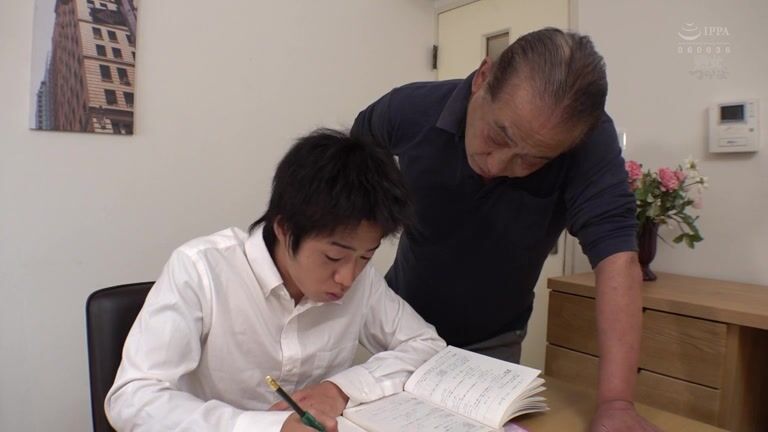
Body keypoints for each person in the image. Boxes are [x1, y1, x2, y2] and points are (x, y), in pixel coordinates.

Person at [351, 28, 658, 431]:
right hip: (398, 326)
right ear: (483, 78)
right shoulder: (411, 110)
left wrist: (617, 403)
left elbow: (617, 257)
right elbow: (349, 169)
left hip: (492, 343)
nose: (496, 166)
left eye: (532, 160)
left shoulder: (589, 142)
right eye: (498, 135)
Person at [105, 129, 446, 432]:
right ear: (284, 228)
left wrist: (341, 389)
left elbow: (426, 345)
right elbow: (132, 398)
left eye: (366, 257)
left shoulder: (362, 282)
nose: (348, 277)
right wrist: (265, 427)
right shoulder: (201, 269)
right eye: (333, 257)